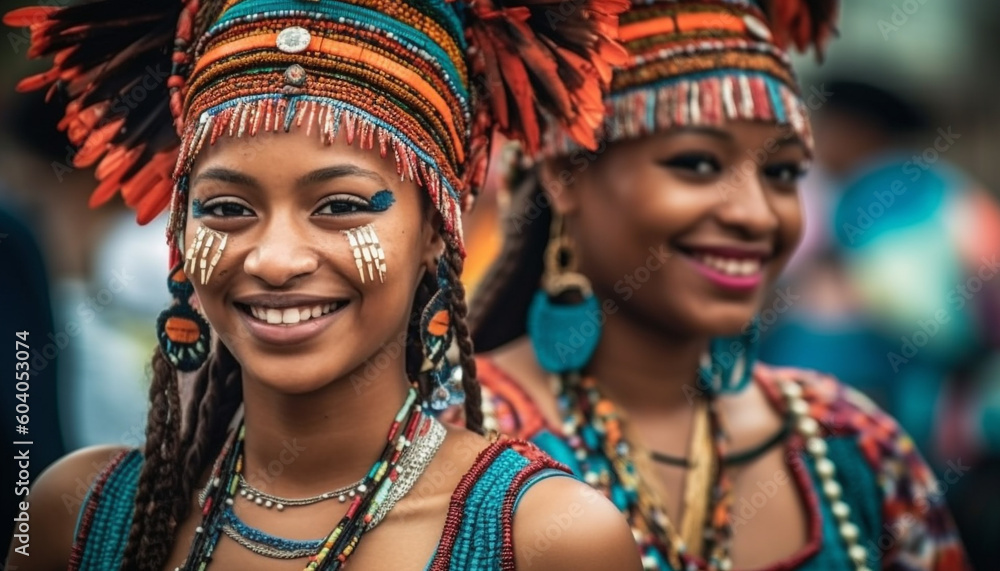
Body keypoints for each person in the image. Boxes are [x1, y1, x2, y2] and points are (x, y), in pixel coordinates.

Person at [4, 1, 644, 570]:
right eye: (227, 208)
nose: (276, 261)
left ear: (435, 234)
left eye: (340, 206)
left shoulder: (548, 539)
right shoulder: (75, 516)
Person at [469, 1, 970, 570]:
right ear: (566, 176)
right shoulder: (457, 443)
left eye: (781, 173)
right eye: (698, 164)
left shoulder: (853, 445)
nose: (756, 215)